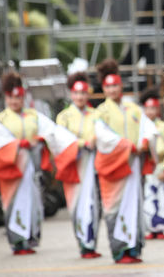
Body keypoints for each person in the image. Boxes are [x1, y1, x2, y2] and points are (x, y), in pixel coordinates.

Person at [0, 72, 74, 255]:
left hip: (32, 169)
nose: (15, 101)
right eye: (11, 97)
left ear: (23, 97)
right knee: (14, 202)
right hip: (13, 171)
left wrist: (67, 144)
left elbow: (52, 132)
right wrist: (19, 145)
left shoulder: (33, 116)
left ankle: (30, 238)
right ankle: (17, 240)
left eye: (18, 97)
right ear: (6, 97)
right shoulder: (1, 120)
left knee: (34, 202)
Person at [94, 58, 156, 263]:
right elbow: (102, 137)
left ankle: (134, 249)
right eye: (108, 86)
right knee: (115, 207)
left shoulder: (133, 108)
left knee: (135, 204)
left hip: (134, 165)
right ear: (104, 88)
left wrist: (145, 140)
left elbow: (148, 128)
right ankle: (120, 250)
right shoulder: (101, 112)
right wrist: (128, 145)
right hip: (116, 167)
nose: (112, 89)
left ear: (121, 86)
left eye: (116, 85)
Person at [56, 72, 102, 258]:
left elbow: (103, 133)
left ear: (88, 94)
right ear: (71, 94)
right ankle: (82, 243)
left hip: (92, 164)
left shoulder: (96, 114)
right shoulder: (64, 116)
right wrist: (83, 143)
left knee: (92, 203)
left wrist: (95, 140)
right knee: (75, 205)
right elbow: (59, 139)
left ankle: (90, 244)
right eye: (76, 93)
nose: (80, 97)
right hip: (73, 164)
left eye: (83, 93)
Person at [141, 90, 164, 240]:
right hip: (147, 166)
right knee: (148, 197)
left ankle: (160, 228)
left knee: (162, 197)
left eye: (153, 108)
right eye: (147, 108)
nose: (150, 112)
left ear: (158, 109)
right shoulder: (141, 126)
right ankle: (150, 228)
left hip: (161, 164)